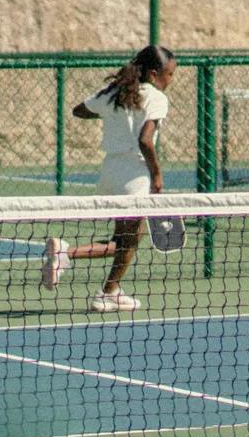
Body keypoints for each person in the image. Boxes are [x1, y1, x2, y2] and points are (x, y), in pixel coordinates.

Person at [41, 45, 175, 313]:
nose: (171, 80)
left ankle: (110, 291)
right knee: (129, 241)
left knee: (124, 240)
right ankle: (67, 255)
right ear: (153, 73)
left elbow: (80, 110)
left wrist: (110, 111)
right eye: (169, 74)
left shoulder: (116, 92)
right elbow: (145, 140)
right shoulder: (157, 98)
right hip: (134, 176)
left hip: (109, 173)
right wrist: (157, 175)